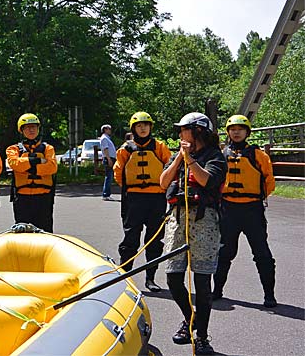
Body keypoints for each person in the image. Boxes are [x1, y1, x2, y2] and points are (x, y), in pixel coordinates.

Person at [159, 112, 227, 356]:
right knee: (173, 278)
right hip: (177, 222)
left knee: (201, 281)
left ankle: (201, 337)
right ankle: (191, 318)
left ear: (197, 131)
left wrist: (190, 160)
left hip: (204, 222)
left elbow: (207, 180)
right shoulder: (179, 156)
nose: (180, 134)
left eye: (183, 129)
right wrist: (179, 158)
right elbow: (163, 182)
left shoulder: (216, 157)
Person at [213, 115, 277, 307]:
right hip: (228, 210)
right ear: (228, 132)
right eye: (233, 129)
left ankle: (269, 294)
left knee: (262, 253)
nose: (236, 132)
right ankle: (217, 290)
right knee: (224, 252)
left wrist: (254, 196)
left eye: (240, 129)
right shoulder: (221, 154)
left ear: (247, 132)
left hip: (252, 210)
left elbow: (269, 182)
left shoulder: (259, 156)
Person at [113, 112, 172, 292]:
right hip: (134, 199)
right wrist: (134, 187)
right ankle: (125, 278)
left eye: (146, 125)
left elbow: (170, 167)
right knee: (130, 239)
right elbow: (118, 174)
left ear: (150, 127)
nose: (143, 128)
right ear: (133, 129)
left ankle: (150, 278)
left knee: (154, 240)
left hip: (156, 199)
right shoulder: (125, 149)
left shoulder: (160, 147)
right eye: (139, 126)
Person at [6, 113, 57, 232]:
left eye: (34, 127)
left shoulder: (47, 148)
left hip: (43, 197)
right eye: (28, 127)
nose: (31, 130)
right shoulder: (13, 149)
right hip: (22, 197)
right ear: (21, 130)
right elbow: (15, 164)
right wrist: (38, 161)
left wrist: (27, 167)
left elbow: (52, 167)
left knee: (45, 230)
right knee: (22, 231)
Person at [100, 124, 117, 201]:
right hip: (108, 159)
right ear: (105, 130)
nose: (110, 130)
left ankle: (107, 193)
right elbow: (105, 149)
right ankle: (105, 194)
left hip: (110, 158)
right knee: (108, 177)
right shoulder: (104, 138)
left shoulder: (107, 138)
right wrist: (109, 159)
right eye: (109, 129)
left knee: (110, 176)